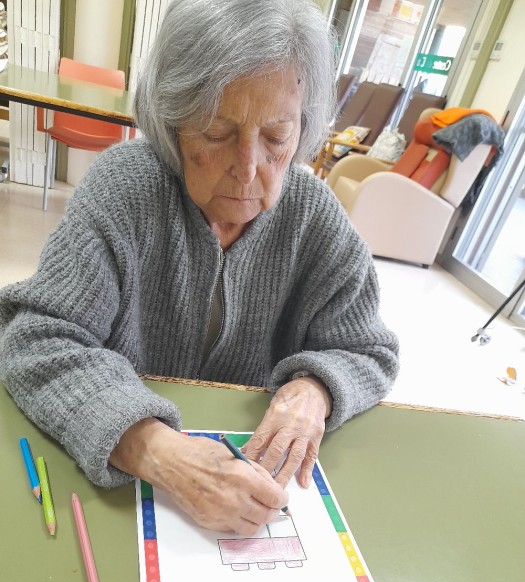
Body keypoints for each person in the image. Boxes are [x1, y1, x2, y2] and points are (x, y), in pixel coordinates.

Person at [0, 0, 399, 535]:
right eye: (215, 133)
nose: (248, 168)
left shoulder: (315, 217)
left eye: (276, 137)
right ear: (173, 123)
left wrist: (315, 390)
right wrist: (150, 447)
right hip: (117, 499)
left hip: (258, 488)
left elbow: (368, 350)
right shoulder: (124, 190)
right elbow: (36, 338)